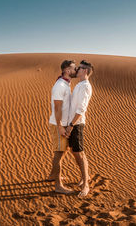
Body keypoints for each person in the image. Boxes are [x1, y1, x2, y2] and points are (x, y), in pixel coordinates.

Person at [47, 60, 77, 194]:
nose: (76, 70)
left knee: (62, 151)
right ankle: (58, 185)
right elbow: (57, 107)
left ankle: (53, 176)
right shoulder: (60, 85)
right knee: (59, 153)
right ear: (66, 70)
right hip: (58, 124)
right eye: (73, 68)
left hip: (63, 123)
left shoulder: (66, 84)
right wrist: (60, 126)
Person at [66, 60, 94, 197]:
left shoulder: (85, 86)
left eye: (80, 68)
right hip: (72, 123)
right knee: (75, 152)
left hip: (76, 124)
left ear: (85, 71)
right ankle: (85, 177)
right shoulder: (79, 85)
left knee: (80, 153)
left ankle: (86, 185)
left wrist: (71, 125)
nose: (77, 69)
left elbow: (81, 108)